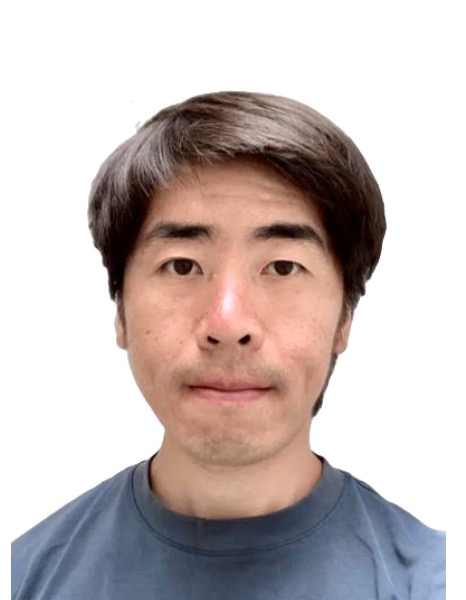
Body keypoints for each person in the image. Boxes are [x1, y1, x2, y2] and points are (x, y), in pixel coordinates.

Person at [11, 91, 445, 599]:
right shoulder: (23, 577)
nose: (228, 322)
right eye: (182, 265)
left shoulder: (433, 582)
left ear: (344, 317)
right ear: (120, 309)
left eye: (283, 267)